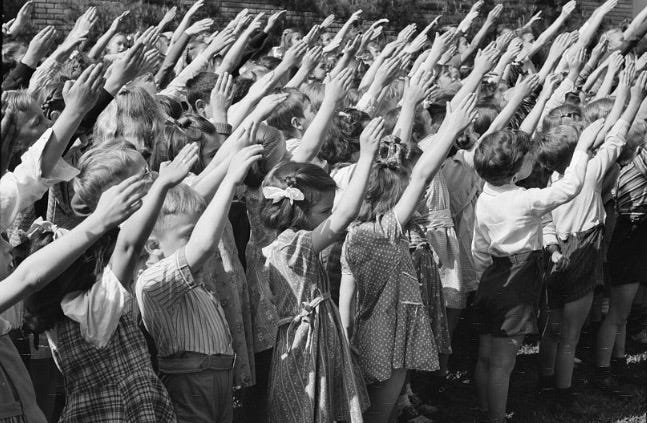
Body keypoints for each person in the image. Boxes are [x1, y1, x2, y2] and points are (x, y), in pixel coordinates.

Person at [259, 117, 386, 423]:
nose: (328, 216)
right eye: (323, 211)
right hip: (306, 341)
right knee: (311, 407)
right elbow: (346, 215)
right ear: (297, 210)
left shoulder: (277, 240)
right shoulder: (294, 245)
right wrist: (367, 156)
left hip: (312, 333)